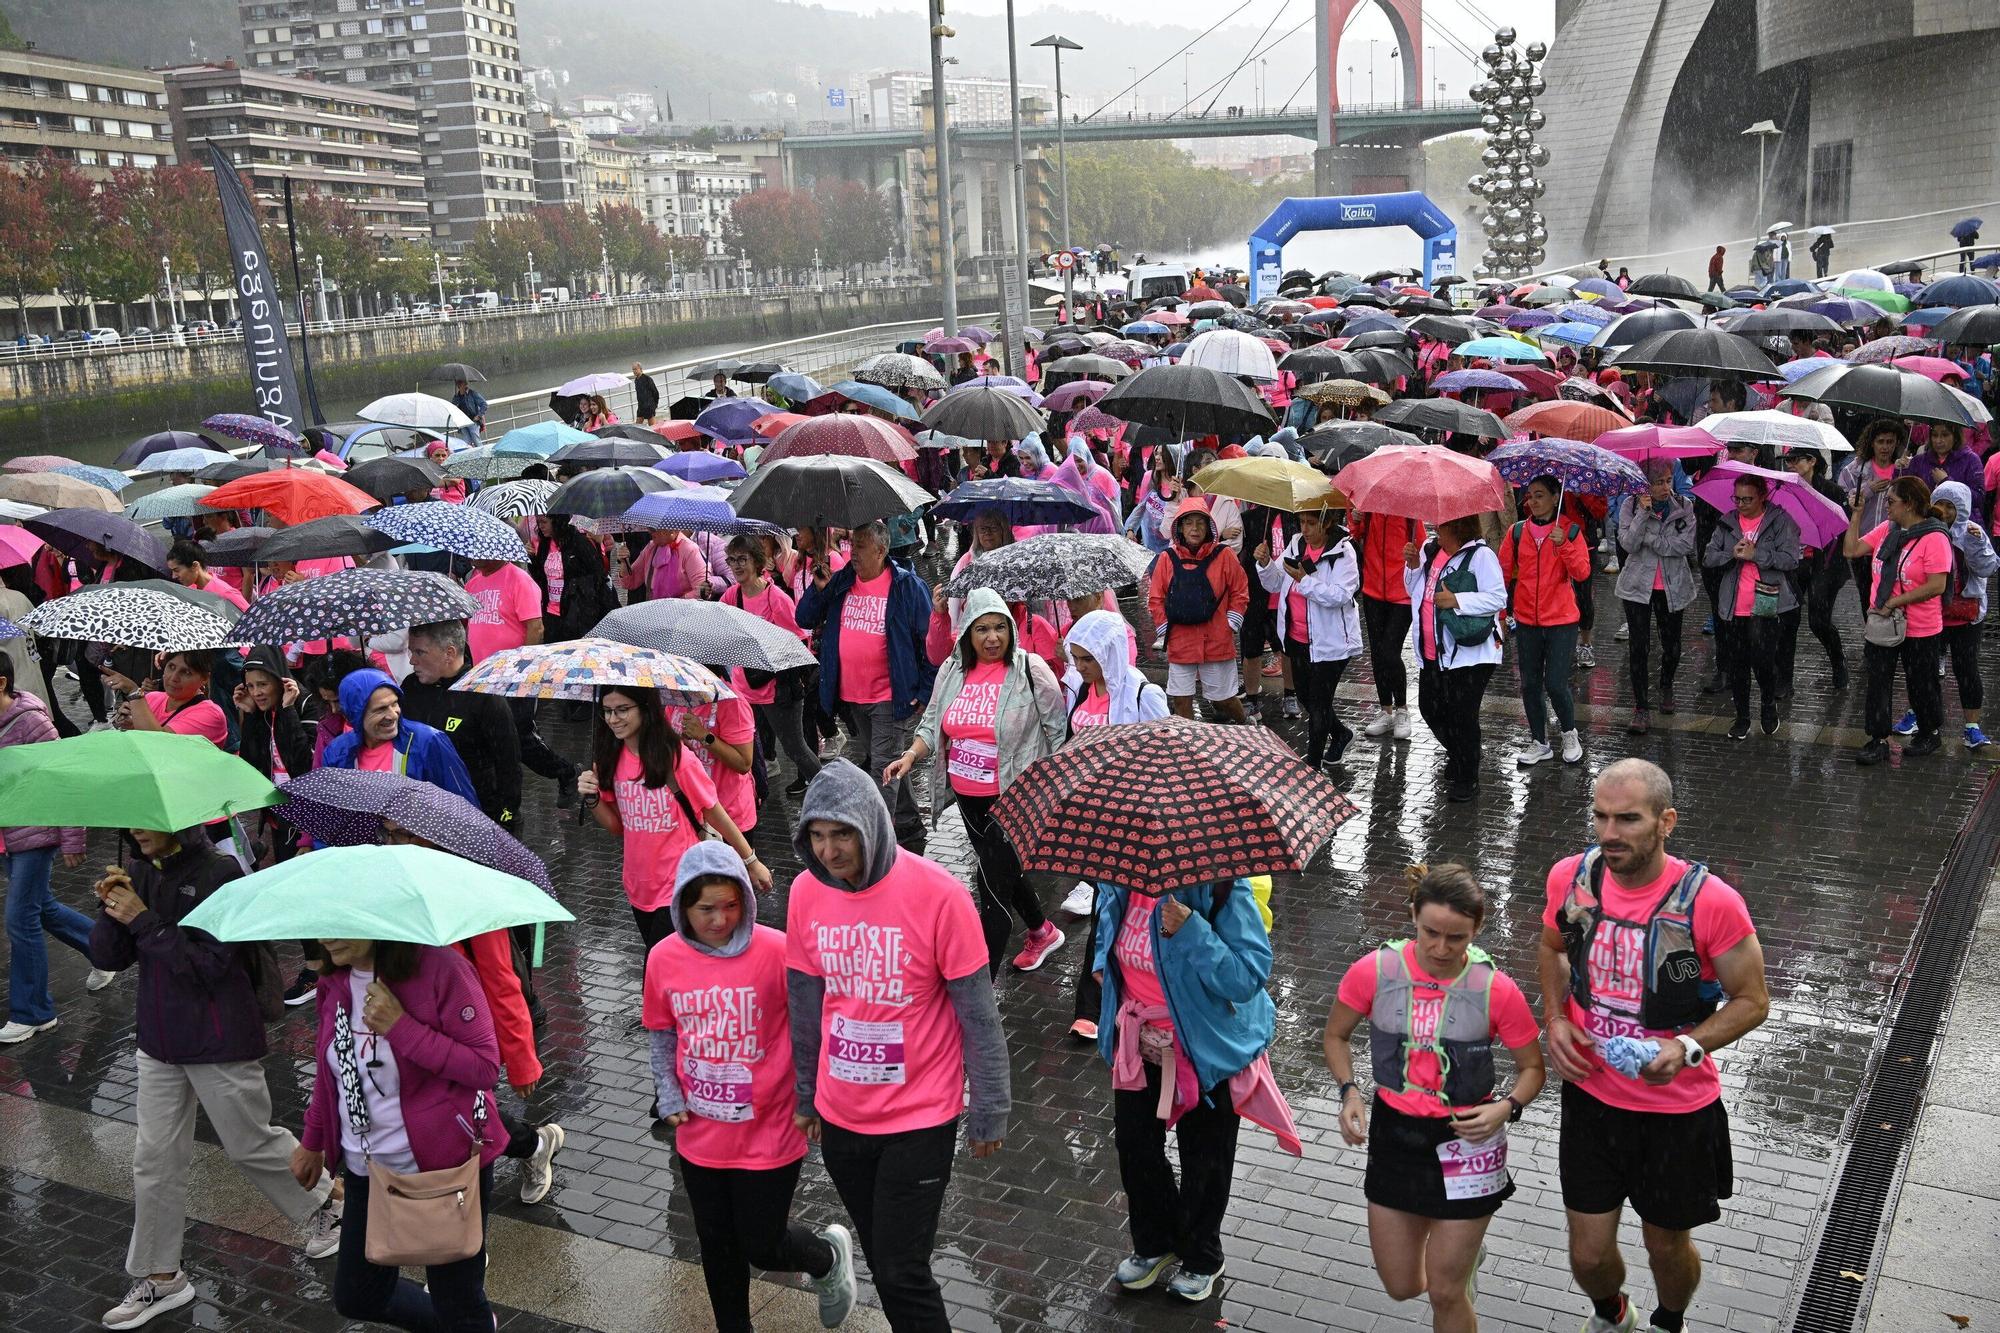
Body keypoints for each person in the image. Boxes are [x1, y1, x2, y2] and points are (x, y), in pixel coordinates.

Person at [1539, 758, 1769, 1333]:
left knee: (1666, 1248)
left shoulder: (1712, 902)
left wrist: (1688, 1047)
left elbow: (1753, 1000)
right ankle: (1614, 1314)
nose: (1609, 833)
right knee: (1588, 1256)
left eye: (1628, 819)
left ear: (1666, 822)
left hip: (1676, 1113)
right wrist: (1554, 1018)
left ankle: (1670, 1321)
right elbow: (1550, 947)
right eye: (1600, 817)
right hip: (1592, 1101)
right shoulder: (1572, 877)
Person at [786, 760, 1010, 1332]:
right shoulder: (806, 893)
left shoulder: (940, 896)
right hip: (842, 1119)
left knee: (900, 1269)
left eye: (842, 834)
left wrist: (989, 1107)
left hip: (920, 1118)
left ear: (873, 825)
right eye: (817, 835)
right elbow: (806, 1005)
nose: (830, 851)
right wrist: (807, 1095)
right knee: (886, 1263)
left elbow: (979, 1017)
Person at [91, 825, 343, 1330]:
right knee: (154, 1158)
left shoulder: (221, 874)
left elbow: (207, 965)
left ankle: (330, 1204)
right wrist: (110, 909)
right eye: (134, 820)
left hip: (218, 1037)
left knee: (250, 1143)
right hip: (159, 1041)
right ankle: (161, 1277)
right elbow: (106, 957)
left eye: (150, 820)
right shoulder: (139, 870)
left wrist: (142, 920)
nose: (139, 829)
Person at [644, 841, 858, 1331]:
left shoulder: (777, 950)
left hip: (771, 1129)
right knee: (717, 1248)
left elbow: (815, 1025)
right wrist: (668, 1093)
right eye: (705, 909)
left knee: (761, 1245)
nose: (719, 920)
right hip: (700, 1134)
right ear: (682, 906)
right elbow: (662, 1031)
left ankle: (825, 1258)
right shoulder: (663, 958)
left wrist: (817, 1099)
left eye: (730, 905)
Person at [1323, 864, 1546, 1333]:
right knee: (1402, 1285)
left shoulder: (1495, 989)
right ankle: (1462, 1263)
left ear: (1477, 930)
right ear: (1412, 916)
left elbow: (1533, 1069)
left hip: (1469, 1142)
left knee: (1445, 1292)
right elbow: (1336, 1036)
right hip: (1396, 1138)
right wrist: (1350, 1093)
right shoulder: (1376, 971)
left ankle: (1457, 1271)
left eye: (1457, 938)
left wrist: (1507, 1107)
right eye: (1431, 933)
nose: (1441, 948)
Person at [293, 937, 502, 1331]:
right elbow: (331, 1072)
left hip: (442, 1169)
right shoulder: (335, 982)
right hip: (365, 1170)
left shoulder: (443, 970)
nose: (325, 937)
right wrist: (313, 1140)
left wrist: (401, 1027)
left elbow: (484, 1067)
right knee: (359, 1296)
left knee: (456, 1304)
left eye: (339, 924)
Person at [1092, 864, 1276, 1305]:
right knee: (1135, 1148)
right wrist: (1103, 967)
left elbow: (1248, 975)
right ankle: (1155, 1243)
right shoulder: (1115, 879)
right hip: (1139, 1044)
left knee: (1205, 1158)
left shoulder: (1221, 884)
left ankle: (1202, 1256)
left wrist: (1193, 930)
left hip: (1204, 1048)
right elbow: (1106, 942)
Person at [887, 587, 1068, 976]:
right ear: (968, 631)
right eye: (982, 628)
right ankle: (1041, 931)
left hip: (1015, 797)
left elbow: (1058, 734)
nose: (992, 638)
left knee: (991, 891)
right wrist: (910, 756)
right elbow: (933, 722)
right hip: (969, 799)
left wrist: (1057, 793)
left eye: (1000, 628)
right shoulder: (953, 670)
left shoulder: (1030, 670)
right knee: (1003, 873)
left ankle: (977, 987)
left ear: (1010, 629)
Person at [578, 684, 772, 952]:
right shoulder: (610, 759)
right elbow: (616, 826)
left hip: (679, 883)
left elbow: (713, 811)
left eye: (623, 710)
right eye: (608, 711)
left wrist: (751, 861)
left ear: (645, 709)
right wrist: (592, 798)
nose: (614, 719)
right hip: (638, 885)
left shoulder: (677, 758)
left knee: (658, 966)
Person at [1058, 611, 1170, 1040]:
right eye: (1078, 659)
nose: (1082, 668)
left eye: (1088, 659)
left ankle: (1091, 1003)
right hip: (1092, 816)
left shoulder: (1144, 694)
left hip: (1130, 820)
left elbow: (1166, 752)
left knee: (1109, 906)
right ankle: (1113, 994)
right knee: (1109, 906)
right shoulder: (1080, 692)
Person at [795, 519, 935, 852]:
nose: (851, 552)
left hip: (890, 696)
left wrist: (925, 691)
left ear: (881, 549)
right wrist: (819, 588)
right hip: (851, 697)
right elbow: (804, 618)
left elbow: (931, 641)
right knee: (886, 761)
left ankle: (877, 847)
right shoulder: (843, 581)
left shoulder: (906, 586)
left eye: (859, 545)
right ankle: (910, 826)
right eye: (851, 544)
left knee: (882, 772)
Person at [0, 656, 111, 1045]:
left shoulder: (31, 722)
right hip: (7, 835)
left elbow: (65, 778)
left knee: (20, 919)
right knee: (40, 907)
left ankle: (34, 1012)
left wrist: (73, 838)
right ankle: (105, 950)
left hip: (35, 832)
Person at [1844, 475, 1951, 764]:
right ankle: (1877, 738)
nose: (1886, 506)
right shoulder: (1887, 529)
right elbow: (1851, 550)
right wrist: (1856, 515)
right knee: (1878, 681)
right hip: (1883, 623)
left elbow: (1936, 586)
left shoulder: (1935, 538)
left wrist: (1894, 601)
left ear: (1911, 504)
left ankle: (1929, 733)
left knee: (1921, 683)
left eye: (1891, 501)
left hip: (1921, 626)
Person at [456, 560, 580, 803]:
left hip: (514, 678)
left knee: (520, 737)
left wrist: (522, 671)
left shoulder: (519, 579)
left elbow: (535, 627)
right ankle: (498, 793)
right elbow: (468, 624)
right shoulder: (473, 582)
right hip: (483, 676)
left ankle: (566, 772)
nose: (472, 556)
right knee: (492, 737)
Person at [1405, 515, 1506, 804]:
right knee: (1430, 708)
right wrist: (1412, 568)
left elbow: (1498, 598)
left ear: (1459, 527)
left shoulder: (1481, 556)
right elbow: (1415, 592)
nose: (1436, 529)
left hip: (1471, 653)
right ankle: (1460, 753)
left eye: (1443, 525)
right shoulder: (1430, 551)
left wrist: (1458, 601)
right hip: (1434, 650)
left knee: (1462, 715)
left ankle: (1467, 775)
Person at [1255, 506, 1361, 768]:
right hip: (1296, 638)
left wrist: (1305, 581)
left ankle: (1312, 765)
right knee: (1306, 697)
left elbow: (1340, 595)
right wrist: (1266, 563)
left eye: (1310, 523)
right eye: (1301, 521)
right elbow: (1275, 583)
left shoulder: (1343, 552)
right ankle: (1340, 733)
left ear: (1326, 524)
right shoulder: (1296, 544)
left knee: (1319, 705)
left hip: (1331, 644)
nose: (1304, 528)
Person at [1499, 477, 1591, 766]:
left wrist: (1564, 545)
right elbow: (1501, 575)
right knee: (1529, 684)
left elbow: (1582, 573)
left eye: (1540, 496)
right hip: (1526, 620)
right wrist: (1502, 614)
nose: (1533, 502)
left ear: (1556, 498)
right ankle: (1540, 741)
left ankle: (1569, 732)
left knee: (1555, 682)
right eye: (1530, 496)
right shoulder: (1516, 532)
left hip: (1561, 621)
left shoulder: (1571, 531)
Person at [398, 620, 527, 827]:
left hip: (475, 813)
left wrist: (506, 817)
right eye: (411, 652)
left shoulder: (484, 695)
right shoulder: (410, 687)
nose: (412, 661)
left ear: (449, 653)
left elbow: (508, 764)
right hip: (422, 810)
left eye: (420, 653)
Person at [720, 535, 821, 796]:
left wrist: (774, 655)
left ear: (756, 561)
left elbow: (801, 639)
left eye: (742, 559)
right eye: (732, 560)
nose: (737, 566)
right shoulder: (732, 596)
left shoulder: (775, 598)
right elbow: (718, 626)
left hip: (777, 691)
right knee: (752, 749)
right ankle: (756, 796)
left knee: (794, 748)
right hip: (745, 688)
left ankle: (826, 789)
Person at [1702, 476, 1799, 740]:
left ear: (1762, 496)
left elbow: (1791, 560)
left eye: (1748, 499)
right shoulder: (1727, 521)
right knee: (1738, 664)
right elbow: (1709, 557)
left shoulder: (1781, 521)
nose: (1741, 504)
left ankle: (1768, 705)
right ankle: (1742, 716)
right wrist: (1731, 554)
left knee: (1764, 661)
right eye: (1737, 499)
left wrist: (1758, 554)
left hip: (1766, 602)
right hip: (1733, 605)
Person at [1148, 499, 1250, 724]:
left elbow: (1240, 590)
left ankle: (1246, 726)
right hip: (1180, 641)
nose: (1194, 529)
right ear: (1181, 528)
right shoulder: (1167, 558)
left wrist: (1231, 622)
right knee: (1181, 701)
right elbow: (1156, 597)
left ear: (1209, 527)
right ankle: (1189, 745)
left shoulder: (1225, 555)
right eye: (1189, 523)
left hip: (1216, 640)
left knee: (1223, 699)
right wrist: (1164, 629)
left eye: (1200, 523)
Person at [1614, 463, 1698, 734]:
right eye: (1658, 482)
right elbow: (1627, 543)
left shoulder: (1684, 505)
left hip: (1673, 585)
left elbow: (1684, 546)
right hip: (1638, 584)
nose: (1665, 488)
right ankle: (1640, 706)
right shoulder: (1630, 505)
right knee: (1639, 647)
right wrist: (1643, 514)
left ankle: (1666, 685)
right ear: (1644, 485)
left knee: (1671, 645)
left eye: (1668, 480)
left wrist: (1651, 538)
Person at [320, 667, 480, 805]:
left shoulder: (429, 741)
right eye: (380, 709)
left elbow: (464, 806)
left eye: (394, 704)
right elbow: (329, 817)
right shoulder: (337, 752)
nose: (392, 715)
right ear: (356, 714)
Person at [1925, 480, 1997, 748]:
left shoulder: (1972, 532)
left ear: (1962, 509)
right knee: (1926, 667)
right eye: (1939, 504)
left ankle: (1972, 727)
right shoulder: (1928, 531)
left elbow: (1988, 568)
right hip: (1933, 611)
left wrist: (1976, 546)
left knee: (1966, 668)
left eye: (1950, 506)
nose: (1944, 510)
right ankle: (1922, 717)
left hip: (1966, 613)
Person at [1775, 450, 1852, 698]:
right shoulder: (1783, 488)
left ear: (1812, 462)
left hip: (1825, 564)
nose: (1792, 464)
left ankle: (1837, 660)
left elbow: (1844, 528)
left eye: (1798, 459)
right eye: (1789, 460)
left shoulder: (1832, 491)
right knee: (1788, 621)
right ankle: (1784, 680)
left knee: (1818, 621)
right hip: (1793, 562)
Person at [1349, 508, 1424, 741]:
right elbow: (1356, 536)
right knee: (1378, 654)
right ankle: (1385, 711)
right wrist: (1357, 519)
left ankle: (1402, 709)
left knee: (1390, 652)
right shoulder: (1369, 508)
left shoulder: (1409, 512)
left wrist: (1414, 557)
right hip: (1372, 590)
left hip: (1401, 592)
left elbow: (1422, 550)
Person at [1839, 418, 1908, 608]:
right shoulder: (1855, 470)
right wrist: (1867, 491)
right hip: (1863, 543)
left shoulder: (1903, 471)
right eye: (1880, 442)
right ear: (1871, 443)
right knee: (1866, 595)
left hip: (1893, 544)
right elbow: (1842, 500)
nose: (1885, 447)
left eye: (1890, 442)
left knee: (1889, 593)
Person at [531, 514, 613, 643]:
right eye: (538, 522)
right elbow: (540, 578)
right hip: (551, 613)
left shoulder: (578, 542)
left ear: (557, 521)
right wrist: (532, 559)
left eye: (544, 522)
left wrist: (576, 587)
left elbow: (597, 574)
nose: (540, 526)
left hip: (575, 613)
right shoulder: (544, 545)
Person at [1903, 419, 1983, 521]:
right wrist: (1901, 470)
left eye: (1945, 435)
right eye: (1935, 435)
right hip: (1927, 524)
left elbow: (1978, 499)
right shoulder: (1919, 461)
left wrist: (1946, 482)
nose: (1938, 440)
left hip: (1961, 526)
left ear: (1955, 437)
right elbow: (1906, 494)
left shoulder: (1971, 460)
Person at [165, 540, 248, 611]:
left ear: (195, 566)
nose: (174, 576)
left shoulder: (226, 593)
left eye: (176, 570)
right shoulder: (190, 589)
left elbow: (249, 617)